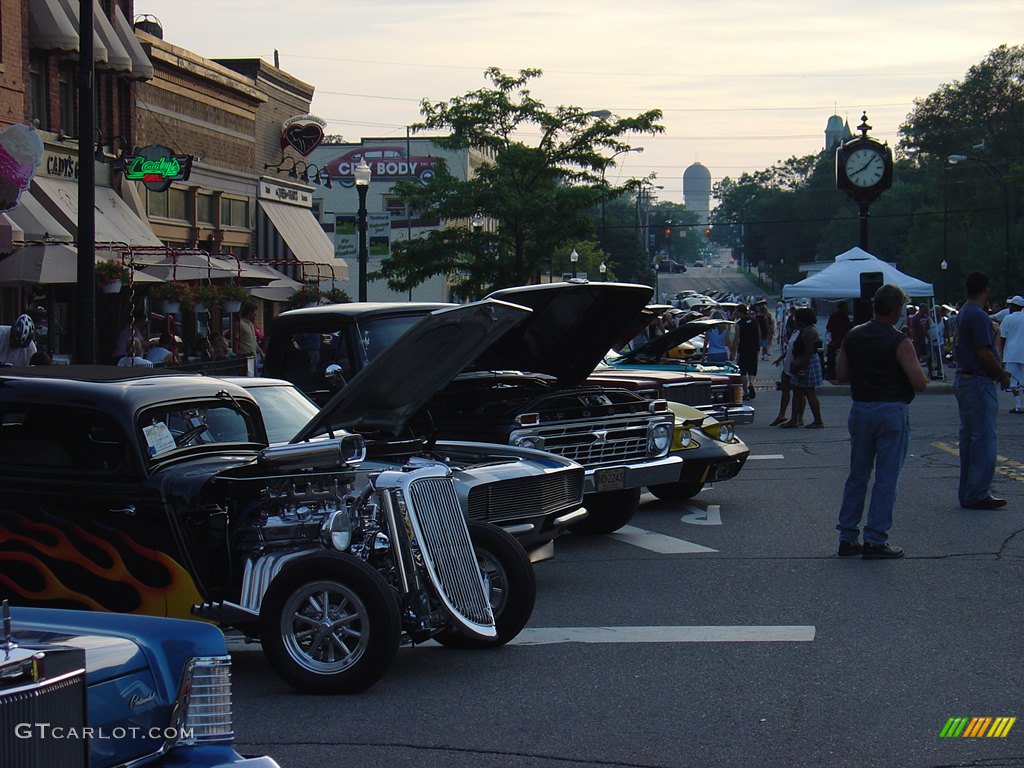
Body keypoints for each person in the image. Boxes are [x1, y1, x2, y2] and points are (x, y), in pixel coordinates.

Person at [834, 284, 928, 559]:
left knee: (858, 474)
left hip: (861, 408)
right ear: (897, 309)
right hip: (891, 410)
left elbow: (841, 374)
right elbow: (919, 382)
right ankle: (876, 538)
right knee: (886, 478)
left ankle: (847, 535)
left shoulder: (853, 335)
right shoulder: (900, 341)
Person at [954, 272, 1012, 510]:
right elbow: (984, 352)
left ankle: (968, 491)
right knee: (984, 438)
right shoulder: (978, 315)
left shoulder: (964, 313)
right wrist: (1001, 374)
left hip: (964, 378)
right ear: (986, 289)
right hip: (978, 380)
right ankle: (978, 491)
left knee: (969, 438)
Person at [782, 307, 825, 428]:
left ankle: (818, 420)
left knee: (809, 392)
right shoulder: (805, 330)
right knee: (797, 391)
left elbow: (808, 351)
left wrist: (802, 368)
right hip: (801, 362)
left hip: (806, 363)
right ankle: (794, 419)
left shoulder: (808, 332)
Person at [730, 303, 761, 400]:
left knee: (743, 372)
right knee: (752, 370)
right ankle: (751, 383)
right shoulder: (754, 321)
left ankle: (746, 392)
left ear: (740, 312)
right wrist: (758, 346)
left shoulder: (739, 324)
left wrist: (733, 351)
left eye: (736, 311)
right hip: (753, 349)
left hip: (743, 349)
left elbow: (736, 338)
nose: (735, 313)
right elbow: (759, 334)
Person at [1000, 296, 1024, 413]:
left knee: (1013, 381)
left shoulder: (1008, 319)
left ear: (1013, 307)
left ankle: (1018, 405)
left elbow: (1002, 338)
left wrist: (1000, 353)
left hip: (1011, 353)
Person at [825, 301, 852, 379]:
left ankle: (832, 374)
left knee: (833, 359)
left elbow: (828, 328)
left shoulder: (833, 316)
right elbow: (848, 329)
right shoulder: (844, 317)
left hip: (835, 341)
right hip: (842, 341)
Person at [909, 304, 933, 379]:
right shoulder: (915, 318)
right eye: (925, 309)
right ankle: (916, 373)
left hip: (926, 340)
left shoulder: (926, 318)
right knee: (917, 356)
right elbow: (912, 329)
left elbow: (929, 327)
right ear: (921, 309)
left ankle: (930, 371)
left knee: (929, 356)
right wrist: (914, 339)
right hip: (918, 340)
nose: (926, 310)